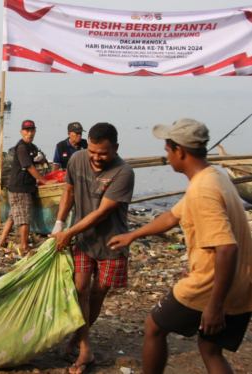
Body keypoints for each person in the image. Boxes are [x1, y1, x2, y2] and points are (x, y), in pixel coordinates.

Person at [108, 119, 252, 374]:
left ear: (180, 151)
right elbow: (172, 216)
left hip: (211, 284)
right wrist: (133, 234)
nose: (167, 155)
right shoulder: (214, 176)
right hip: (242, 282)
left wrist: (215, 307)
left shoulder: (203, 190)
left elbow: (227, 249)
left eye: (167, 150)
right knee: (209, 349)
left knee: (153, 327)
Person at [49, 122, 134, 374]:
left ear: (115, 148)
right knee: (80, 291)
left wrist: (68, 233)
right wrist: (59, 224)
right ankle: (86, 349)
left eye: (103, 153)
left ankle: (76, 338)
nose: (96, 158)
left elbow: (101, 213)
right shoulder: (77, 159)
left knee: (97, 296)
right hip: (84, 241)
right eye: (93, 152)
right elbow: (69, 191)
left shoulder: (124, 173)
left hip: (113, 243)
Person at [0, 120, 57, 253]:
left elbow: (39, 161)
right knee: (24, 218)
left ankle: (2, 241)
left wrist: (43, 161)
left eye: (32, 131)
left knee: (12, 216)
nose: (29, 133)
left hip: (20, 187)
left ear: (35, 132)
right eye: (27, 131)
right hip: (21, 188)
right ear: (21, 132)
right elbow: (30, 167)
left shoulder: (33, 148)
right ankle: (24, 246)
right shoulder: (22, 148)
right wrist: (45, 181)